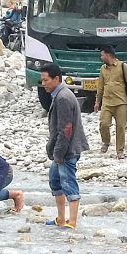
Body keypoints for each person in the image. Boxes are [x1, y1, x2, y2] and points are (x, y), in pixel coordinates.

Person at [40, 63, 89, 229]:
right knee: (55, 182)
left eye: (46, 80)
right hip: (61, 149)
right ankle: (61, 218)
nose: (43, 83)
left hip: (67, 150)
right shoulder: (60, 94)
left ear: (56, 79)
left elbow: (65, 129)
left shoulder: (63, 98)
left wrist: (59, 154)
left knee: (69, 184)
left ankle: (72, 222)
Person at [94, 45, 127, 159]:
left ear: (108, 55)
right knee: (103, 124)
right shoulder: (103, 69)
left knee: (121, 127)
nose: (101, 57)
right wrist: (97, 102)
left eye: (102, 55)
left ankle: (120, 151)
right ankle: (106, 142)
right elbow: (100, 86)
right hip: (107, 102)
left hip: (121, 102)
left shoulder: (123, 66)